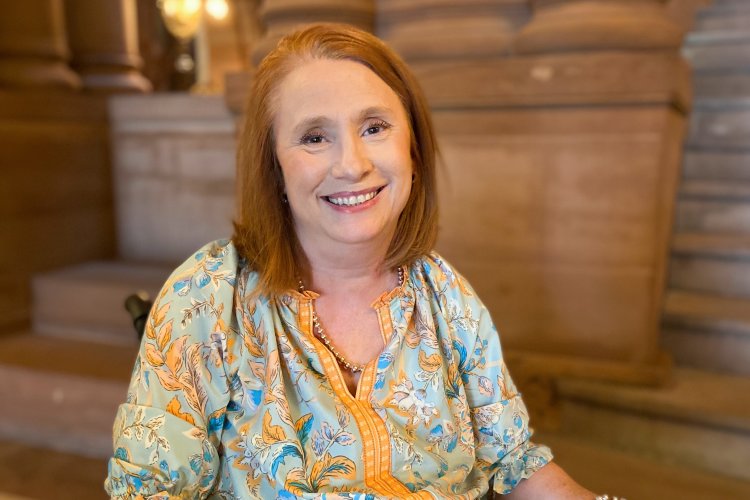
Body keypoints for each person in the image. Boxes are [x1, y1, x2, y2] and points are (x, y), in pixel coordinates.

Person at [105, 23, 597, 499]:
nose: (352, 165)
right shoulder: (209, 298)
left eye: (375, 127)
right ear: (274, 168)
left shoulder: (446, 294)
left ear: (413, 150)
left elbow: (511, 463)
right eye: (314, 137)